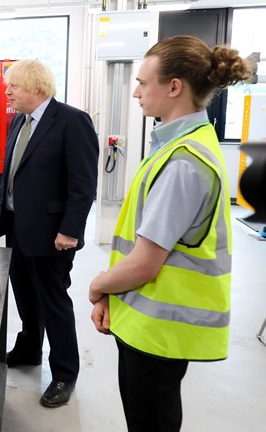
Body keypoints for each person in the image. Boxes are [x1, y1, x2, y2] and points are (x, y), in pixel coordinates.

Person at [89, 36, 249, 432]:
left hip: (158, 329)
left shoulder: (182, 162)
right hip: (145, 316)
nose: (136, 92)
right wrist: (114, 295)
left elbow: (144, 263)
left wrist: (98, 285)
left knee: (150, 422)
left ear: (174, 86)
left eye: (143, 82)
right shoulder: (181, 146)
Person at [0, 59, 98, 408]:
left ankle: (65, 372)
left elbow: (83, 185)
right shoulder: (18, 121)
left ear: (35, 87)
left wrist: (70, 230)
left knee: (53, 300)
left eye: (13, 86)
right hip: (17, 226)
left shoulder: (72, 121)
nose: (7, 92)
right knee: (23, 292)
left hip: (53, 234)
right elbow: (10, 171)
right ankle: (29, 347)